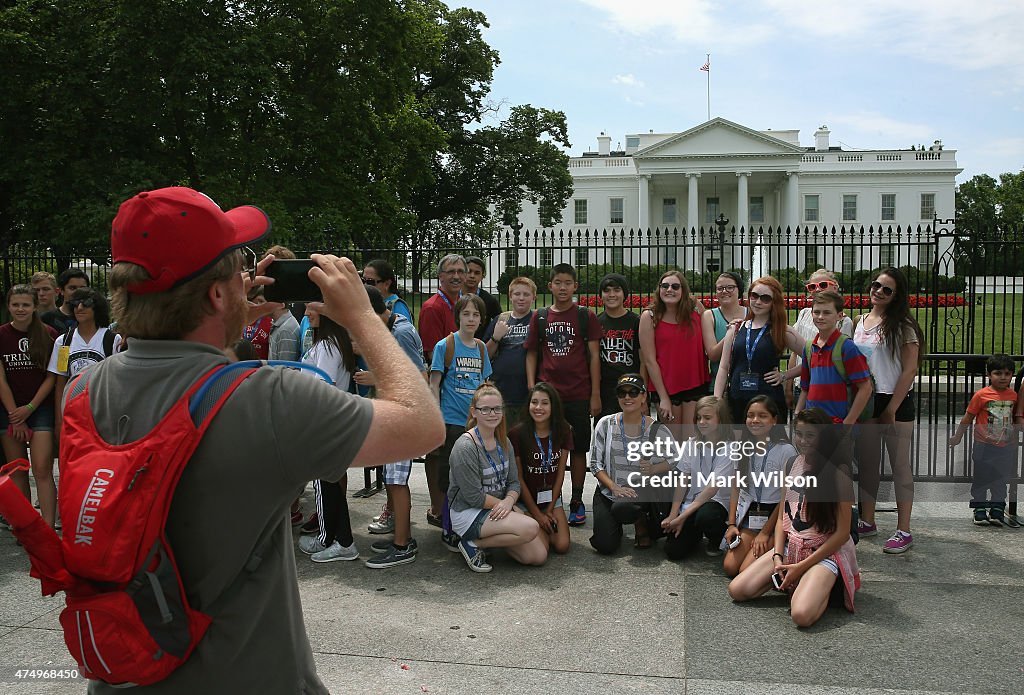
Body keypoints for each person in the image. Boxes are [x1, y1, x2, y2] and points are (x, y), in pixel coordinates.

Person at [79, 186, 442, 693]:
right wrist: (361, 316)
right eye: (238, 265)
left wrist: (223, 322)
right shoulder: (267, 399)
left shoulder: (82, 391)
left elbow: (181, 376)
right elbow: (422, 424)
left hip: (126, 674)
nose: (248, 274)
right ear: (216, 293)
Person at [727, 408, 860, 627]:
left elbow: (842, 533)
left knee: (801, 616)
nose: (803, 440)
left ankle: (825, 584)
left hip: (825, 550)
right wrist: (778, 556)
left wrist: (802, 566)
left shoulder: (839, 472)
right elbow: (782, 517)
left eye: (810, 435)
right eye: (799, 434)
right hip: (793, 545)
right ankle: (800, 580)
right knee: (738, 590)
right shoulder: (792, 464)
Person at [852, 267, 925, 551]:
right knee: (868, 463)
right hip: (868, 399)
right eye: (876, 285)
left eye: (887, 289)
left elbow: (909, 371)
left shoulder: (903, 325)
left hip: (895, 400)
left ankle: (903, 529)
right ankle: (867, 520)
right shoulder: (860, 320)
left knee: (899, 465)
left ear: (897, 296)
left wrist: (892, 407)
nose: (878, 292)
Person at [525, 263, 602, 527]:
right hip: (549, 395)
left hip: (578, 393)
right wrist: (530, 386)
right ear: (550, 286)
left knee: (578, 449)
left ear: (575, 286)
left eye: (568, 283)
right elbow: (532, 352)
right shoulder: (542, 316)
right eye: (558, 282)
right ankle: (548, 498)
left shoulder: (584, 316)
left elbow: (593, 356)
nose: (563, 287)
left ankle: (577, 500)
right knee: (548, 448)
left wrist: (594, 394)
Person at [359, 285, 429, 569]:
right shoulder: (393, 328)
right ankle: (400, 537)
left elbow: (420, 378)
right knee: (391, 479)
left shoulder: (400, 332)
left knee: (396, 481)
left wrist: (376, 378)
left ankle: (403, 545)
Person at [448, 383, 548, 572]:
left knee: (537, 555)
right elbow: (473, 497)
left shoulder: (504, 441)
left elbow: (513, 482)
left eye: (496, 408)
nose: (492, 413)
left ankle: (485, 541)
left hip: (498, 508)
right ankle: (472, 543)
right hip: (468, 512)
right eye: (485, 409)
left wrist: (509, 502)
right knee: (530, 528)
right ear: (474, 412)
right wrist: (506, 507)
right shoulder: (465, 447)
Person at [296, 307, 361, 563]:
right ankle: (338, 539)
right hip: (329, 422)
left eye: (313, 308)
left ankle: (334, 539)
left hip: (324, 423)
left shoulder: (328, 346)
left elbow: (324, 385)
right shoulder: (330, 343)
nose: (307, 312)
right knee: (329, 484)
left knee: (325, 485)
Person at [429, 294, 492, 548]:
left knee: (472, 477)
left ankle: (468, 522)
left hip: (475, 425)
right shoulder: (445, 346)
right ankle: (448, 526)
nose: (471, 319)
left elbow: (485, 384)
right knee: (449, 477)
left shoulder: (481, 347)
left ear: (481, 319)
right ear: (458, 317)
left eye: (475, 315)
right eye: (466, 314)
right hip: (452, 422)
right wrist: (435, 418)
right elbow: (434, 384)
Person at [588, 374, 675, 554]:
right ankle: (616, 523)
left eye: (634, 392)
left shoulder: (657, 429)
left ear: (644, 397)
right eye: (622, 393)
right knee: (605, 545)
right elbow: (595, 464)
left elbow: (676, 460)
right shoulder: (605, 424)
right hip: (609, 489)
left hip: (640, 491)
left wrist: (654, 468)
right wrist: (614, 487)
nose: (628, 397)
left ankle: (640, 520)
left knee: (624, 507)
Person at [0, 285, 58, 527]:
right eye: (16, 304)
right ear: (8, 306)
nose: (20, 309)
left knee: (42, 469)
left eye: (25, 304)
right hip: (9, 410)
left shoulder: (49, 334)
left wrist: (31, 408)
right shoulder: (1, 335)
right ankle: (26, 526)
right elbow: (0, 379)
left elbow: (52, 376)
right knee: (17, 471)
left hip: (40, 408)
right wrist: (17, 416)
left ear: (35, 306)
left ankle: (46, 525)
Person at [714, 276, 804, 425]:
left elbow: (814, 358)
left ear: (774, 302)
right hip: (737, 400)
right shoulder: (736, 329)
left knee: (770, 446)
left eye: (765, 298)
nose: (758, 301)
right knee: (739, 447)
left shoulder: (782, 331)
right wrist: (717, 401)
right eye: (754, 296)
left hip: (768, 402)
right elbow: (724, 367)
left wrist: (785, 375)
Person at [723, 395, 796, 577]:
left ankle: (780, 546)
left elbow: (786, 498)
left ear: (774, 420)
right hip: (751, 514)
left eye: (762, 416)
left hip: (775, 517)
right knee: (730, 568)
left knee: (744, 571)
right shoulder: (743, 447)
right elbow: (736, 487)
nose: (755, 420)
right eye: (750, 415)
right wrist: (732, 524)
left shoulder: (785, 450)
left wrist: (765, 533)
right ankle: (759, 547)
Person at [419, 253, 467, 529]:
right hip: (442, 392)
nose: (457, 276)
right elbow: (431, 353)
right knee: (437, 453)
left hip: (460, 393)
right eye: (451, 271)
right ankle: (438, 508)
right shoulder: (433, 307)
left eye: (461, 271)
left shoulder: (460, 305)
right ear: (440, 276)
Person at [949, 354, 1018, 528]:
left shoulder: (1014, 396)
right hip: (983, 445)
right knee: (981, 477)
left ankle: (997, 508)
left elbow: (1015, 420)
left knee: (1000, 479)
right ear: (989, 375)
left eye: (1007, 373)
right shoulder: (981, 395)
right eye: (998, 373)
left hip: (1006, 446)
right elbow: (968, 417)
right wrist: (958, 436)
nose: (1003, 377)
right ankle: (979, 508)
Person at [662, 396, 735, 559]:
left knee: (707, 516)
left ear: (721, 420)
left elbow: (711, 489)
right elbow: (683, 479)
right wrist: (674, 514)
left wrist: (682, 517)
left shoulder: (731, 448)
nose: (701, 422)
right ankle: (694, 534)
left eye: (707, 418)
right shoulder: (691, 444)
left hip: (717, 504)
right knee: (673, 551)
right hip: (691, 503)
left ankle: (716, 538)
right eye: (699, 418)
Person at [640, 270, 708, 438]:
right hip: (666, 388)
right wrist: (663, 398)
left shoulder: (696, 310)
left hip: (695, 384)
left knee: (692, 440)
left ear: (683, 290)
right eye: (665, 286)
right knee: (672, 442)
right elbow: (649, 360)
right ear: (659, 289)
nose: (669, 289)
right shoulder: (649, 317)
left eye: (675, 286)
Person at [46, 287, 122, 436]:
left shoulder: (112, 340)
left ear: (97, 308)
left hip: (103, 412)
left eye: (86, 303)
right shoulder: (63, 342)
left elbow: (117, 382)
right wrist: (59, 420)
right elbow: (60, 382)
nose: (79, 308)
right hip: (73, 414)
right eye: (75, 303)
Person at [508, 382, 573, 554]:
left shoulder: (564, 430)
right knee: (542, 546)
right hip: (525, 501)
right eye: (534, 402)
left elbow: (560, 473)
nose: (538, 407)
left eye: (544, 403)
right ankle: (526, 521)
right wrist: (537, 514)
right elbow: (519, 478)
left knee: (562, 546)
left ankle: (540, 524)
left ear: (553, 406)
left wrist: (550, 508)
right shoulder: (517, 433)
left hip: (550, 499)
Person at [794, 290, 873, 426]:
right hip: (811, 423)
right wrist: (797, 415)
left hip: (838, 423)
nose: (820, 317)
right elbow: (805, 388)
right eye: (817, 312)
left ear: (839, 316)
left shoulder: (847, 347)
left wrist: (848, 422)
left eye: (827, 312)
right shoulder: (809, 347)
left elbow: (865, 388)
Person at [784, 269, 853, 410]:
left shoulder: (843, 322)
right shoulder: (804, 314)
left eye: (822, 285)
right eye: (812, 287)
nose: (817, 290)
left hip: (826, 389)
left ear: (835, 287)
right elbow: (795, 354)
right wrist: (788, 387)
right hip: (801, 385)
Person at [483, 276, 536, 426]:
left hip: (527, 391)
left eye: (526, 294)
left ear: (533, 298)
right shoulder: (501, 319)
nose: (521, 298)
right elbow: (485, 355)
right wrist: (496, 337)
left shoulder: (537, 319)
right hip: (502, 389)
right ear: (510, 296)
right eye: (517, 294)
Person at [595, 273, 645, 419]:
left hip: (631, 387)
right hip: (606, 388)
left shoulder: (636, 322)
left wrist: (643, 392)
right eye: (606, 290)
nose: (611, 295)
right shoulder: (597, 322)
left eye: (617, 290)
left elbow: (644, 361)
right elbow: (593, 359)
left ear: (624, 294)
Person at [701, 271, 747, 384]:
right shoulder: (709, 316)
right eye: (720, 288)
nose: (725, 291)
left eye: (730, 287)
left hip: (748, 383)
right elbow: (713, 355)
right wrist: (731, 332)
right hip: (719, 384)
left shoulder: (751, 314)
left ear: (739, 290)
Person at [40, 268, 90, 333]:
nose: (78, 292)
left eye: (82, 288)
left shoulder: (92, 318)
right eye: (72, 288)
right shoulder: (46, 319)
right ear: (61, 290)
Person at [463, 256, 502, 339]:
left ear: (482, 276)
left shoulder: (490, 300)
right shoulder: (453, 297)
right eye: (468, 271)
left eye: (477, 273)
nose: (472, 276)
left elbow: (500, 323)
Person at [363, 258, 412, 323]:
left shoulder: (398, 307)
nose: (365, 285)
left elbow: (403, 331)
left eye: (370, 282)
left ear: (387, 284)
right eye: (363, 280)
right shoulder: (367, 303)